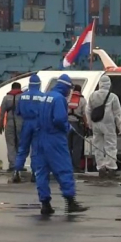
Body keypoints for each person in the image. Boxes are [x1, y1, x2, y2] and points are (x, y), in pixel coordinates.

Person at [34, 73, 88, 215]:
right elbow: (59, 119)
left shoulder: (45, 96)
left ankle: (45, 204)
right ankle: (70, 202)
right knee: (64, 168)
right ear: (66, 87)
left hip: (40, 139)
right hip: (55, 139)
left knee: (42, 172)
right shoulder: (59, 99)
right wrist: (67, 127)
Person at [86, 75, 121, 178]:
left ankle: (100, 167)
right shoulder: (113, 96)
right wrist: (119, 126)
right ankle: (111, 167)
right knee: (110, 145)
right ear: (109, 84)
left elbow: (88, 110)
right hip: (109, 124)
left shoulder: (93, 95)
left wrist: (90, 123)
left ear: (100, 84)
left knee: (98, 146)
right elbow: (117, 113)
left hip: (96, 124)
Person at [14, 74, 43, 182]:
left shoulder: (22, 96)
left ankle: (17, 171)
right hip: (37, 124)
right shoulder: (42, 96)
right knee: (36, 150)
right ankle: (35, 173)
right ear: (39, 84)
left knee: (22, 149)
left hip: (26, 123)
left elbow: (18, 112)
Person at [0, 82, 23, 171]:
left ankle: (12, 164)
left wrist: (0, 125)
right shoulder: (23, 97)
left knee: (10, 144)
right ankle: (19, 164)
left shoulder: (6, 98)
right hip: (20, 123)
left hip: (9, 123)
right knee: (20, 144)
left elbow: (1, 114)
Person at [68, 84, 88, 173]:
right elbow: (84, 114)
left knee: (67, 146)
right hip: (77, 125)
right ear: (80, 91)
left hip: (67, 124)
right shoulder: (82, 100)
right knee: (77, 147)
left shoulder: (67, 99)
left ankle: (66, 165)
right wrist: (87, 125)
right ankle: (76, 166)